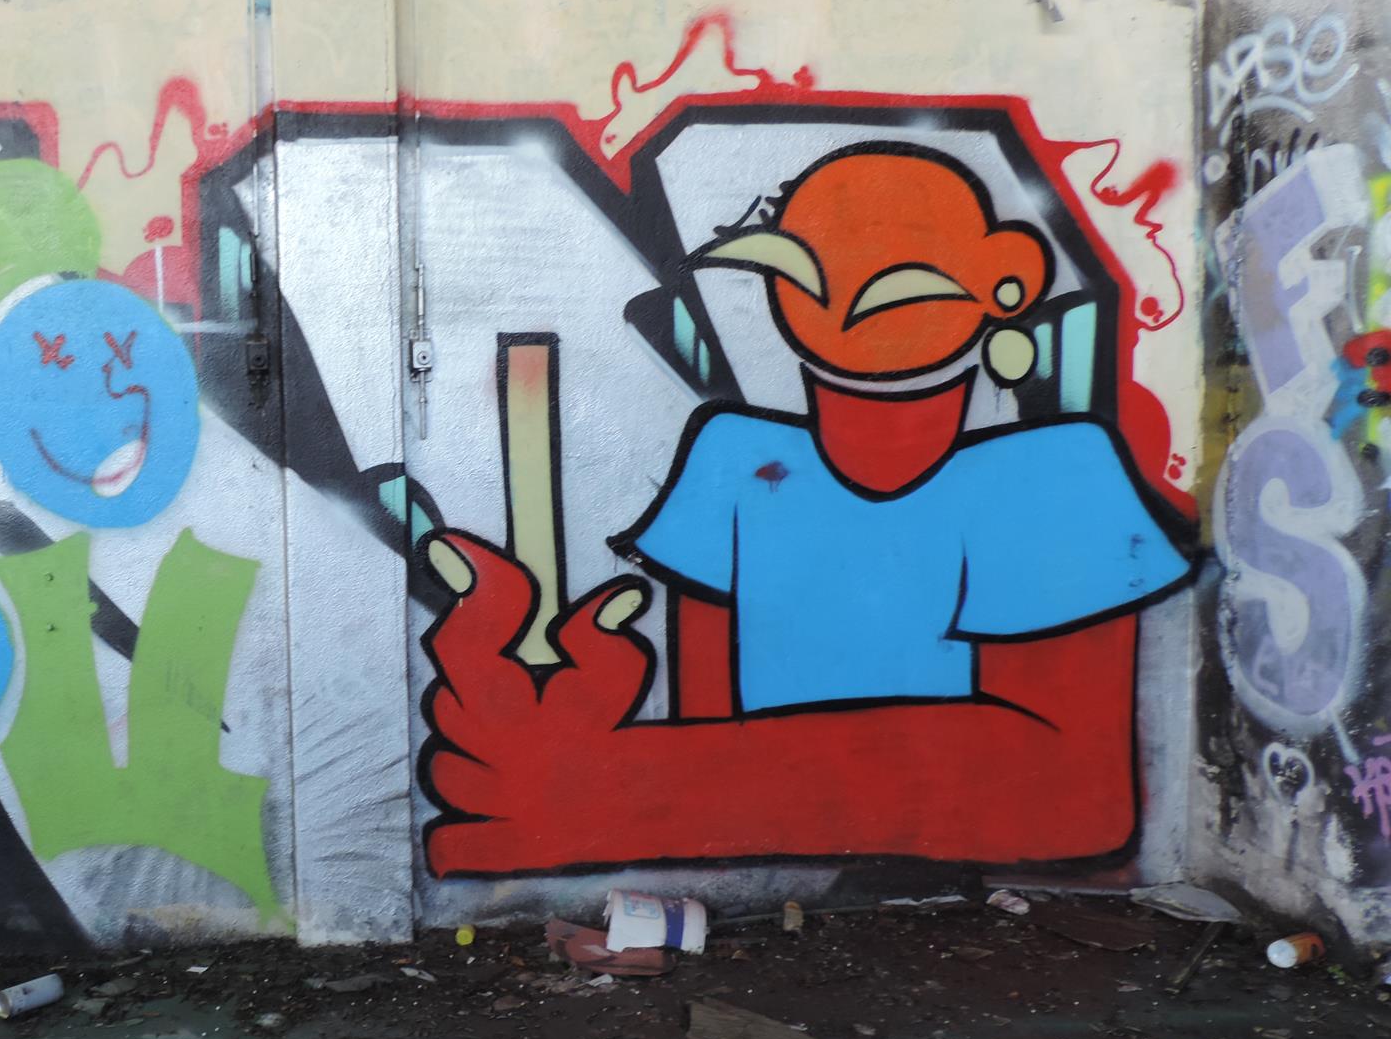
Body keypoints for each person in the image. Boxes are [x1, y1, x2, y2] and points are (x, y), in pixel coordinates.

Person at [418, 144, 1192, 877]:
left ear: (1007, 279)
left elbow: (1072, 797)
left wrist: (609, 785)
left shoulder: (1056, 477)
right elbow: (712, 750)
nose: (849, 293)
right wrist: (617, 768)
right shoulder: (732, 460)